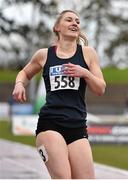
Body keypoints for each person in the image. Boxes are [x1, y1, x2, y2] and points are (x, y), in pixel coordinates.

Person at [12, 10, 106, 179]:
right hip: (50, 124)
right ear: (57, 27)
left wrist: (85, 73)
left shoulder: (88, 53)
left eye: (77, 21)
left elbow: (100, 89)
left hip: (77, 126)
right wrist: (19, 84)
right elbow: (24, 73)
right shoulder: (44, 54)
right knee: (63, 177)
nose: (74, 23)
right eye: (69, 20)